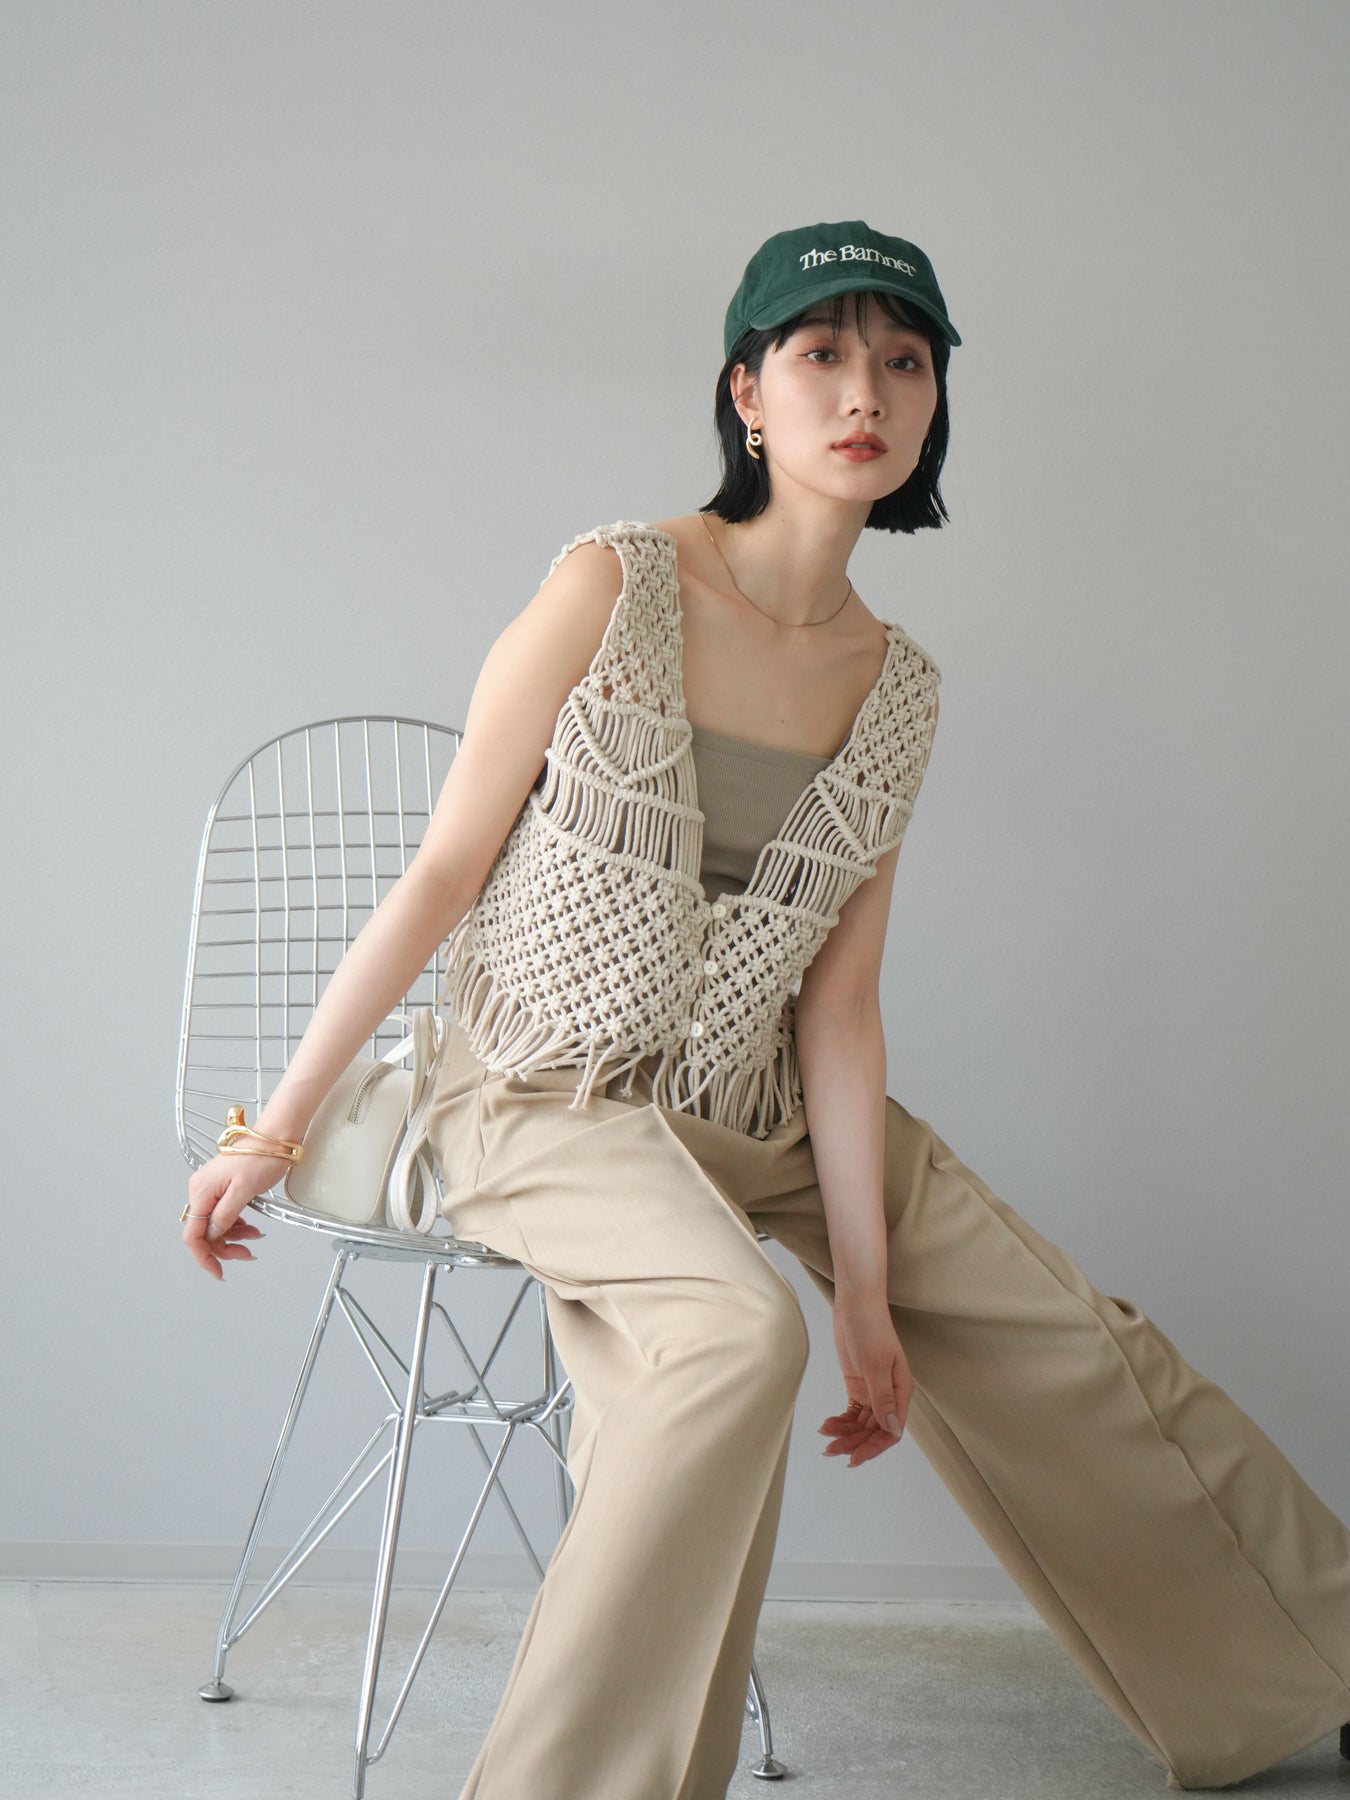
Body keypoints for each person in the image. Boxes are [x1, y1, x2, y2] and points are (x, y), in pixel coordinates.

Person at [181, 219, 1350, 1799]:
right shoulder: (613, 583)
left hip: (757, 1108)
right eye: (820, 353)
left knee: (1066, 1337)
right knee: (731, 1337)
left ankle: (1302, 1667)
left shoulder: (896, 683)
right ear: (745, 391)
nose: (864, 391)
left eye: (903, 361)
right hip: (542, 1096)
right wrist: (273, 1127)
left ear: (931, 404)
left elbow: (841, 1010)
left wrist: (868, 1290)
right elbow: (443, 872)